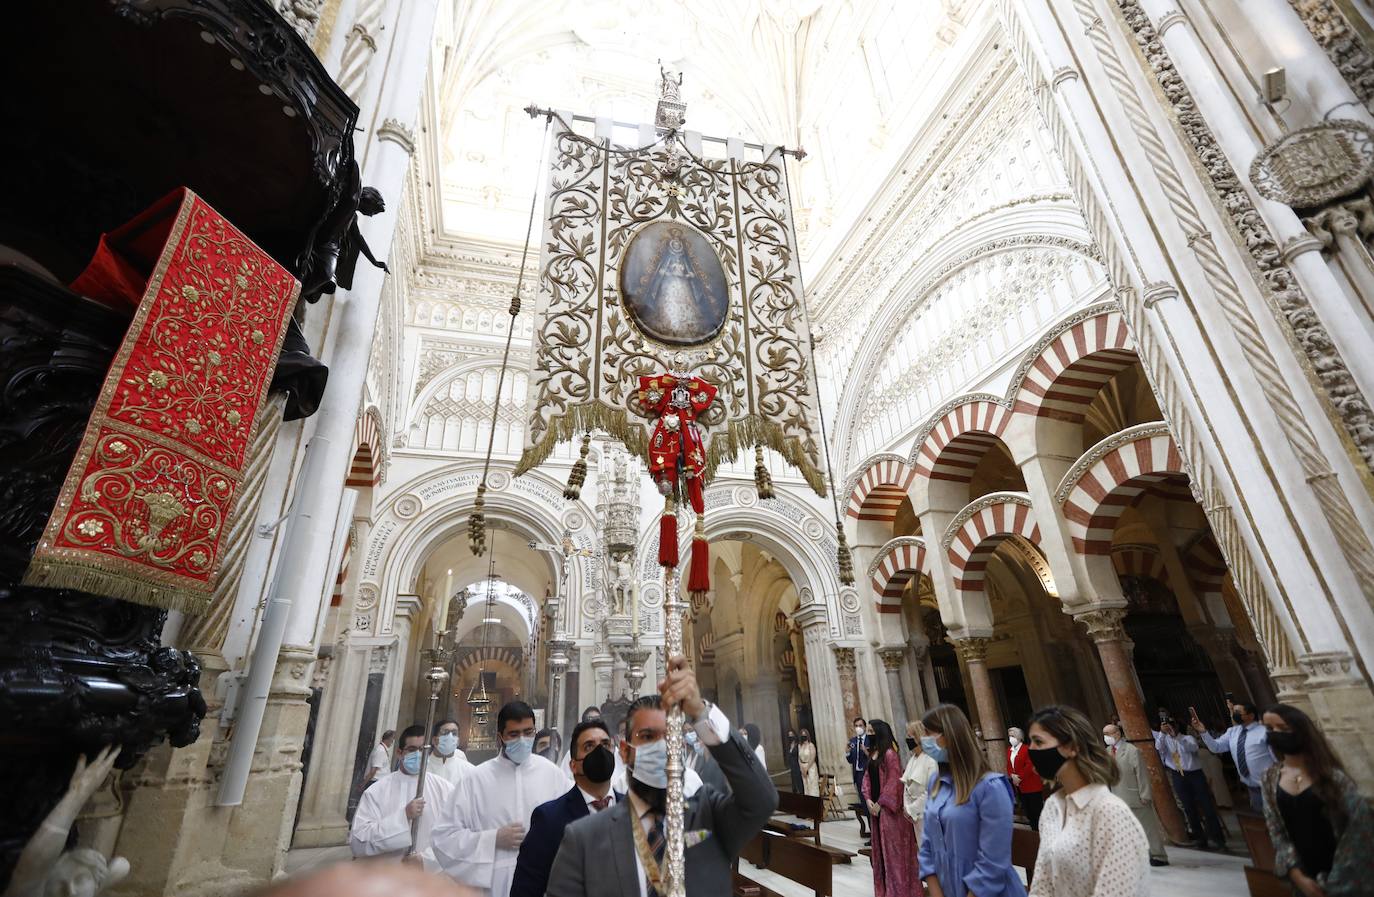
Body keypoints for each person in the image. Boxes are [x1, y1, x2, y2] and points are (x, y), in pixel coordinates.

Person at [545, 654, 778, 897]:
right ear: (625, 752)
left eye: (670, 736)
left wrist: (701, 713)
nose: (662, 747)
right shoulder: (584, 839)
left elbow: (762, 800)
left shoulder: (708, 816)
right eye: (647, 737)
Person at [430, 701, 571, 897]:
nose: (523, 739)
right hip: (494, 886)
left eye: (528, 732)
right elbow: (443, 838)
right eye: (514, 734)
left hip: (545, 881)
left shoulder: (552, 775)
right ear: (500, 737)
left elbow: (573, 826)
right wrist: (492, 839)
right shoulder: (476, 779)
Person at [1024, 706, 1149, 895]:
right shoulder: (1052, 807)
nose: (1031, 750)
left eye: (1038, 742)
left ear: (1072, 747)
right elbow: (1042, 883)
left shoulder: (1110, 813)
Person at [1260, 703, 1374, 896]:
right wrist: (1297, 875)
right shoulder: (1270, 778)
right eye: (1269, 729)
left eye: (1283, 728)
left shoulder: (1333, 778)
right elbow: (1276, 830)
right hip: (1304, 876)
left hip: (1346, 878)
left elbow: (1357, 832)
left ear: (1301, 731)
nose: (1275, 733)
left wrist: (1333, 884)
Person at [918, 704, 1024, 897]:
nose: (923, 740)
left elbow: (993, 860)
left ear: (949, 736)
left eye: (929, 733)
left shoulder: (990, 787)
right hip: (948, 887)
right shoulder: (935, 783)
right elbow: (927, 845)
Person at [510, 719, 617, 897]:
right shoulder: (549, 819)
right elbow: (526, 889)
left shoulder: (630, 809)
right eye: (589, 746)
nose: (600, 752)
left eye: (605, 745)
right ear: (573, 765)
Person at [350, 724, 455, 862]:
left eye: (422, 749)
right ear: (399, 753)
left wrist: (426, 861)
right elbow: (358, 843)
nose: (418, 754)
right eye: (412, 749)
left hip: (429, 878)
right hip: (387, 876)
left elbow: (455, 837)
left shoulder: (445, 789)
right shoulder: (376, 791)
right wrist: (403, 817)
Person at [863, 719, 920, 897]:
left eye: (871, 731)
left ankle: (900, 892)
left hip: (889, 812)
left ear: (879, 732)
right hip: (876, 810)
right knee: (881, 855)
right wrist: (867, 799)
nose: (868, 734)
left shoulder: (889, 754)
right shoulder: (874, 753)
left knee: (895, 857)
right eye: (867, 730)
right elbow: (866, 778)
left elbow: (894, 780)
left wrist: (881, 803)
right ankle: (885, 890)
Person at [1153, 716, 1226, 850]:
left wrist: (1177, 737)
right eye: (1167, 725)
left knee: (1207, 806)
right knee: (1189, 808)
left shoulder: (1187, 738)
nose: (1170, 728)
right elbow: (1158, 747)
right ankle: (1200, 839)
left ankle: (1218, 839)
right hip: (1178, 775)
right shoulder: (1164, 740)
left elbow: (1192, 748)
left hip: (1195, 775)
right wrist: (1163, 734)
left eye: (1172, 725)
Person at [1103, 721, 1169, 867]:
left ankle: (1158, 855)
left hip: (1135, 795)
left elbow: (1142, 773)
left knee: (1148, 827)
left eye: (1108, 734)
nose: (1106, 737)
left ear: (1117, 734)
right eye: (1104, 734)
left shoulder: (1131, 750)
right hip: (1117, 796)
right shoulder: (1107, 752)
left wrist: (1145, 794)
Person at [1192, 699, 1275, 812]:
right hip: (1251, 788)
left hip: (1270, 786)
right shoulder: (1233, 732)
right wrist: (1203, 732)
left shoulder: (1264, 731)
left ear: (1250, 715)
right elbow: (1216, 748)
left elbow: (1276, 757)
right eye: (1233, 711)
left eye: (1237, 712)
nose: (1234, 715)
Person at [901, 720, 939, 847]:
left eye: (910, 736)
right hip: (915, 816)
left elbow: (932, 790)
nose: (907, 739)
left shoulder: (930, 759)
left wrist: (912, 808)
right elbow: (906, 786)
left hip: (927, 813)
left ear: (918, 737)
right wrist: (907, 807)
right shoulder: (912, 759)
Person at [1007, 725, 1045, 830]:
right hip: (1019, 786)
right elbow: (1009, 765)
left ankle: (1041, 830)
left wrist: (1019, 777)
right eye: (1009, 736)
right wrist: (1012, 775)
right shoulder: (1009, 750)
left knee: (1036, 810)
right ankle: (1034, 831)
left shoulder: (1026, 749)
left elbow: (1029, 765)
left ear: (1019, 737)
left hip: (1031, 784)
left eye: (1013, 736)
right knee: (1028, 811)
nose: (1011, 738)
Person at [846, 716, 871, 839]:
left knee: (869, 803)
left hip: (867, 774)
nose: (858, 728)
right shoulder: (853, 741)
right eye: (856, 726)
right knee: (864, 804)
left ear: (865, 727)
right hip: (858, 775)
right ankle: (871, 833)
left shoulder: (869, 740)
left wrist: (865, 751)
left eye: (860, 725)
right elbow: (851, 760)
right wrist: (847, 752)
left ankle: (874, 834)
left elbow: (872, 757)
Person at [430, 719, 473, 787]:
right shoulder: (423, 767)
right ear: (434, 740)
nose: (450, 736)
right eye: (445, 733)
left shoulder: (468, 770)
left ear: (458, 741)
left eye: (454, 733)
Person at [798, 728, 820, 797]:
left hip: (811, 768)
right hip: (803, 767)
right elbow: (799, 758)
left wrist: (807, 768)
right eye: (802, 735)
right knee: (806, 786)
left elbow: (812, 758)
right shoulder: (799, 746)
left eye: (805, 735)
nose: (803, 737)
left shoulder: (811, 745)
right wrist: (801, 768)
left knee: (812, 786)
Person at [785, 728, 804, 793]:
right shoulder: (789, 745)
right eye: (789, 735)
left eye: (791, 735)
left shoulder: (798, 744)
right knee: (794, 782)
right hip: (792, 766)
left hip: (797, 765)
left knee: (799, 781)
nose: (790, 736)